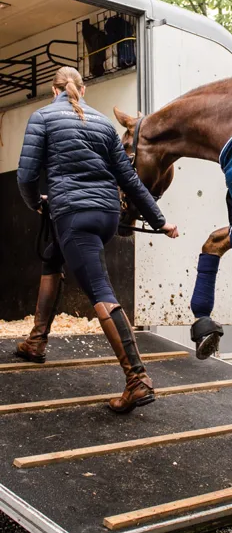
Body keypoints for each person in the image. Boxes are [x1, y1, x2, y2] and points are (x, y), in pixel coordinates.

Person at [16, 66, 179, 413]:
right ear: (83, 90)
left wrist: (36, 204)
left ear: (53, 90)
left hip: (73, 215)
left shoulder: (43, 117)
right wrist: (160, 220)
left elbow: (27, 175)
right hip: (106, 215)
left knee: (100, 291)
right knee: (53, 255)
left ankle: (137, 379)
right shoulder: (105, 124)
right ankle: (37, 341)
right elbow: (131, 181)